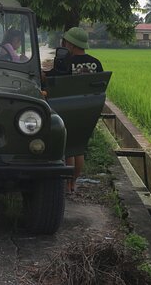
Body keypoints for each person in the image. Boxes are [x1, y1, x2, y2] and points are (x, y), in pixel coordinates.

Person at [45, 27, 103, 193]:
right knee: (79, 147)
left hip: (69, 108)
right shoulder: (96, 63)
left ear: (70, 44)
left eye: (65, 42)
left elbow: (52, 79)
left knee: (67, 148)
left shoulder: (66, 62)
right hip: (88, 109)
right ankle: (73, 184)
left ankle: (66, 184)